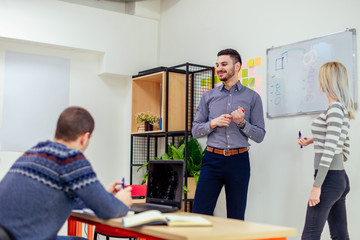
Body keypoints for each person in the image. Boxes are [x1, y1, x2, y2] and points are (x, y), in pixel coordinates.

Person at [0, 106, 133, 240]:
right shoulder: (70, 158)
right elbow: (109, 210)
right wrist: (121, 202)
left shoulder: (33, 152)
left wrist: (103, 195)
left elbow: (62, 200)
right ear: (85, 138)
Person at [191, 48, 266, 220]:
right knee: (200, 215)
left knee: (236, 218)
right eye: (217, 65)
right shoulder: (208, 97)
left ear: (237, 66)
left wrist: (242, 123)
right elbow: (195, 130)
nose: (219, 68)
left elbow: (260, 135)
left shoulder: (253, 98)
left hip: (239, 162)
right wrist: (212, 123)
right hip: (212, 160)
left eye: (224, 64)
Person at [298, 62, 354, 240]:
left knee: (310, 235)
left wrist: (317, 186)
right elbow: (336, 138)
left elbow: (330, 149)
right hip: (337, 177)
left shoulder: (335, 109)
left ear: (326, 81)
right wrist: (312, 140)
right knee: (339, 235)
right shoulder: (338, 108)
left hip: (329, 178)